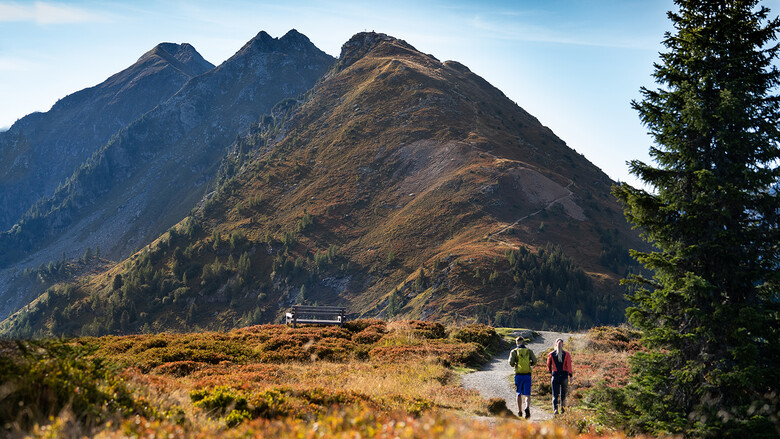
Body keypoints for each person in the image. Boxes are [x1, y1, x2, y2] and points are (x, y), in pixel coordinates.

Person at [509, 336, 537, 419]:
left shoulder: (514, 351)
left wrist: (515, 365)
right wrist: (530, 364)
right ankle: (527, 407)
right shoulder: (529, 351)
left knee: (518, 393)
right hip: (527, 374)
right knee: (527, 394)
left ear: (516, 342)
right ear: (523, 342)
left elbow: (510, 362)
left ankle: (520, 411)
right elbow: (535, 361)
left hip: (518, 375)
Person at [546, 337, 573, 415]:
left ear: (555, 344)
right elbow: (569, 366)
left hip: (555, 376)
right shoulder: (567, 354)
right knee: (563, 395)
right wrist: (570, 376)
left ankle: (555, 410)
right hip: (564, 377)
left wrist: (551, 372)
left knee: (555, 394)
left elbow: (548, 365)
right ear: (562, 344)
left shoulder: (551, 354)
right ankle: (563, 411)